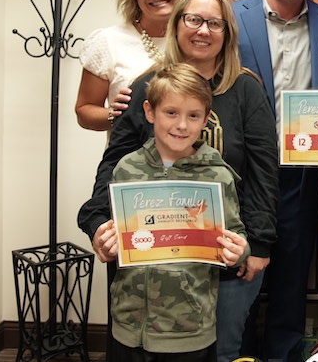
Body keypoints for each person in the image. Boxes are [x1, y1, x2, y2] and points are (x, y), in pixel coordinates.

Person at [77, 0, 279, 362]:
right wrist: (98, 223)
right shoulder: (145, 86)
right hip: (152, 257)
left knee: (221, 351)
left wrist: (260, 244)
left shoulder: (246, 88)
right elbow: (115, 163)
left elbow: (264, 171)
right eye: (194, 19)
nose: (203, 30)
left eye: (215, 23)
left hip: (225, 256)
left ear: (227, 33)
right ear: (177, 24)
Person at [233, 0, 318, 362]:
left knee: (291, 276)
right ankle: (241, 355)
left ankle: (282, 355)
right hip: (246, 170)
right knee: (242, 270)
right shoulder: (233, 15)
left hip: (303, 170)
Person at [101, 62, 249, 361]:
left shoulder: (217, 175)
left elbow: (236, 235)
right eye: (171, 112)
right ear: (150, 112)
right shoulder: (126, 169)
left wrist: (239, 251)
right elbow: (116, 239)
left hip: (189, 331)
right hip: (128, 326)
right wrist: (106, 244)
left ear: (205, 119)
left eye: (193, 115)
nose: (182, 125)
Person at [75, 0, 188, 132]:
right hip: (129, 150)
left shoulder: (198, 39)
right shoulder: (108, 41)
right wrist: (117, 114)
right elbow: (84, 112)